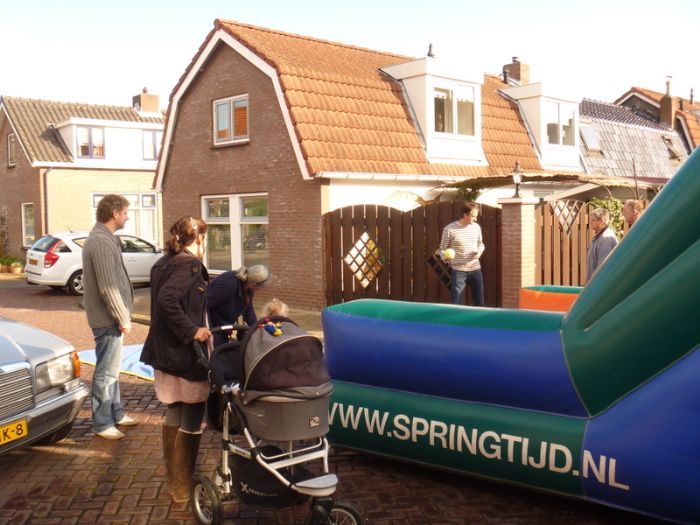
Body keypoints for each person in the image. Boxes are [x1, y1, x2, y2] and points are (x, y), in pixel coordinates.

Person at [140, 216, 212, 503]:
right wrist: (192, 330)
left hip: (165, 350)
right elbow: (167, 300)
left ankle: (176, 481)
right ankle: (181, 486)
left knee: (175, 407)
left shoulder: (163, 262)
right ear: (199, 238)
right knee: (193, 410)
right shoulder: (189, 265)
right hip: (184, 352)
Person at [82, 194, 138, 440]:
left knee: (112, 370)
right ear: (114, 214)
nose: (127, 217)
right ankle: (102, 423)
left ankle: (116, 413)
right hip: (108, 320)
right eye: (125, 212)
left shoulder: (105, 239)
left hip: (111, 319)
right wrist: (122, 317)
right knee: (106, 372)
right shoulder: (101, 242)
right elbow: (108, 287)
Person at [207, 264, 272, 348]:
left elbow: (248, 311)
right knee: (217, 351)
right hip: (213, 325)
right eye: (261, 287)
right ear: (254, 284)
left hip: (222, 326)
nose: (260, 290)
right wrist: (210, 330)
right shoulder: (228, 283)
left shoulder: (249, 289)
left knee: (223, 349)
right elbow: (206, 305)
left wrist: (257, 328)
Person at [438, 202, 485, 306]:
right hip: (458, 271)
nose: (476, 219)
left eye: (476, 216)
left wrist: (479, 252)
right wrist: (445, 258)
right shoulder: (449, 229)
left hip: (475, 269)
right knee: (456, 303)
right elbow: (441, 249)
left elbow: (481, 244)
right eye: (473, 216)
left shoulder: (476, 227)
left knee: (480, 303)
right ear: (465, 215)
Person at [586, 208, 618, 282]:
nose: (590, 222)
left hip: (600, 284)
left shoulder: (605, 239)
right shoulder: (600, 237)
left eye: (593, 220)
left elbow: (603, 266)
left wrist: (593, 283)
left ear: (601, 221)